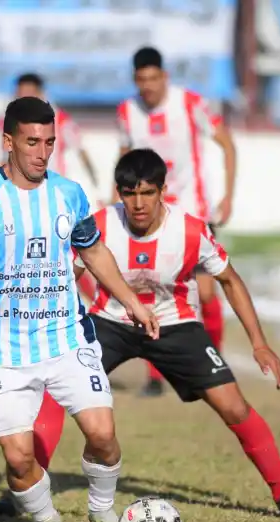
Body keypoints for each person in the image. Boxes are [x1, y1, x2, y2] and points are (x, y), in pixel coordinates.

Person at [0, 148, 280, 519]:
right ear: (119, 192)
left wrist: (259, 343)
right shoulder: (99, 224)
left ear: (162, 191)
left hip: (175, 325)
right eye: (129, 193)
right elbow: (66, 276)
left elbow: (229, 279)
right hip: (110, 322)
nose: (138, 203)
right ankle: (22, 494)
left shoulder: (191, 230)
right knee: (54, 392)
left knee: (233, 405)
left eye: (146, 193)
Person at [0, 97, 158, 522]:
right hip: (6, 350)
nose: (42, 152)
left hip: (66, 338)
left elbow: (93, 253)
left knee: (103, 436)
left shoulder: (68, 194)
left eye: (49, 142)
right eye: (32, 142)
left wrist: (130, 299)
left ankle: (101, 510)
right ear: (8, 141)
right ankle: (48, 520)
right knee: (18, 461)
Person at [115, 47, 237, 397]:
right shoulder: (127, 111)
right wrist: (116, 200)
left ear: (164, 77)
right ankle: (155, 377)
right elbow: (124, 158)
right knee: (149, 289)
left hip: (192, 212)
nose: (148, 86)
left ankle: (214, 363)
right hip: (148, 216)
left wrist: (227, 195)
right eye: (141, 80)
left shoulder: (190, 103)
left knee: (208, 294)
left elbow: (227, 144)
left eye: (154, 78)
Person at [3, 72, 99, 303]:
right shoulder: (11, 124)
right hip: (23, 197)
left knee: (69, 253)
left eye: (28, 92)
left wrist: (96, 185)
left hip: (54, 199)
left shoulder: (60, 120)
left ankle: (95, 300)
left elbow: (81, 149)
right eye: (20, 93)